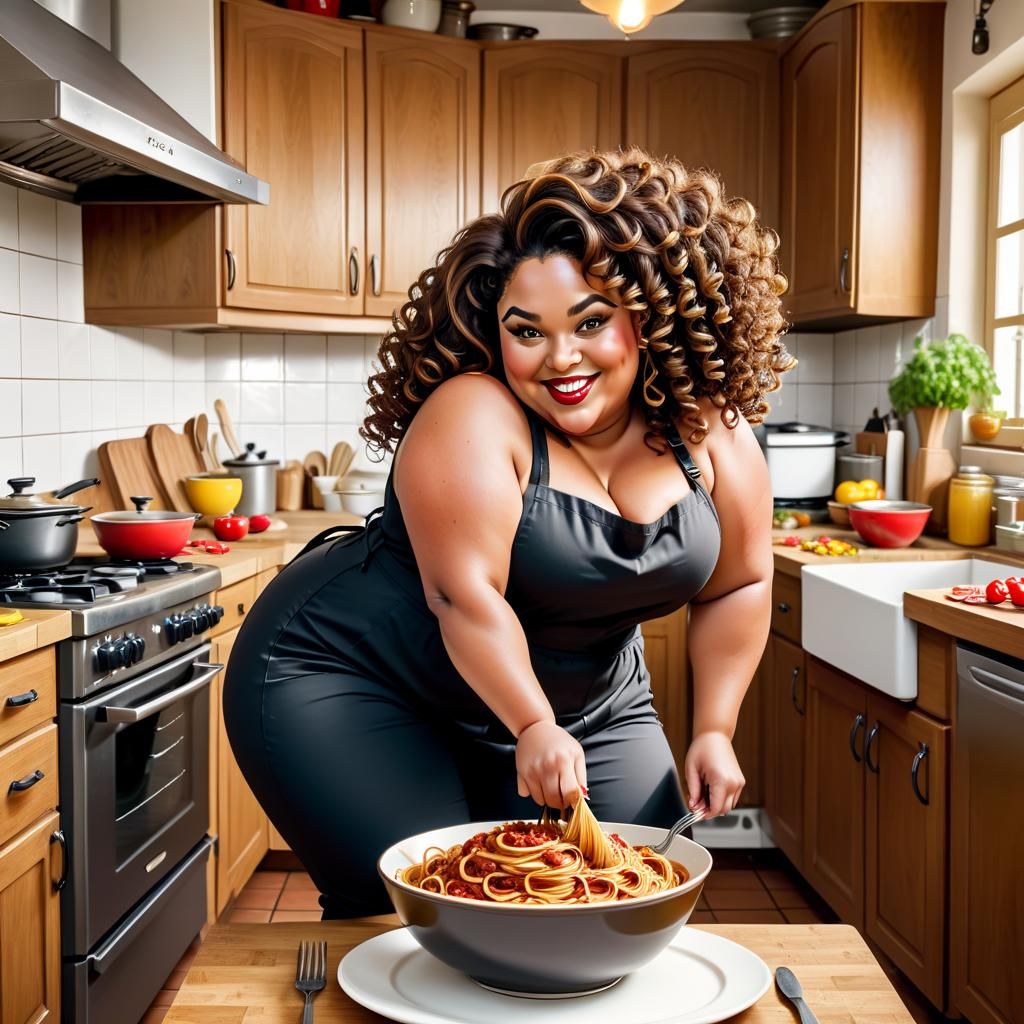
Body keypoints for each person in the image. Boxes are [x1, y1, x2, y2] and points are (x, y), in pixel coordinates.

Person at [223, 148, 793, 918]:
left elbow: (741, 583)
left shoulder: (712, 433)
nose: (561, 359)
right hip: (357, 675)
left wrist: (716, 728)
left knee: (631, 900)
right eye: (528, 331)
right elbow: (464, 598)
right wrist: (531, 723)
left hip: (593, 696)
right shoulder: (474, 411)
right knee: (418, 915)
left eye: (591, 322)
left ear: (653, 315)